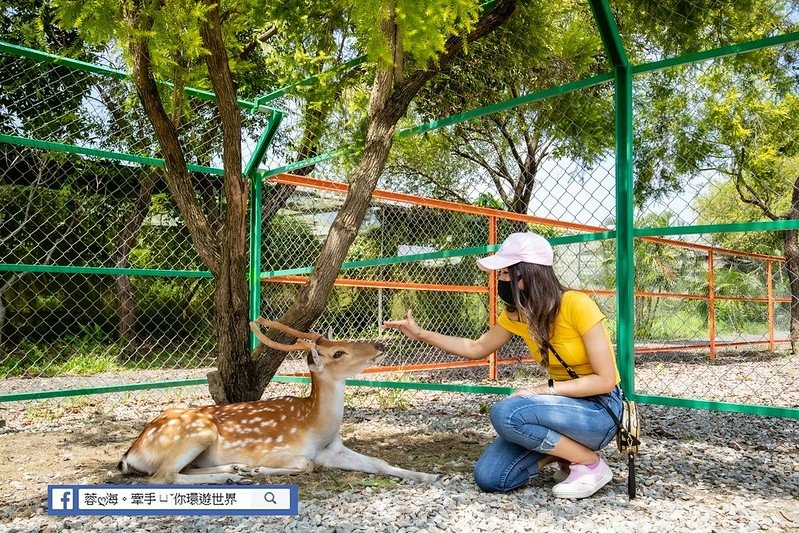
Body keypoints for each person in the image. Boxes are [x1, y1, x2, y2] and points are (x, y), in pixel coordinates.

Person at [382, 232, 622, 499]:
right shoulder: (517, 314)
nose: (500, 280)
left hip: (599, 408)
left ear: (526, 275)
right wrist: (422, 334)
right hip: (560, 408)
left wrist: (541, 389)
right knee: (492, 477)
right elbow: (476, 348)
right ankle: (564, 453)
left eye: (505, 274)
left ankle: (590, 464)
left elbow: (605, 380)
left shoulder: (577, 304)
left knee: (507, 413)